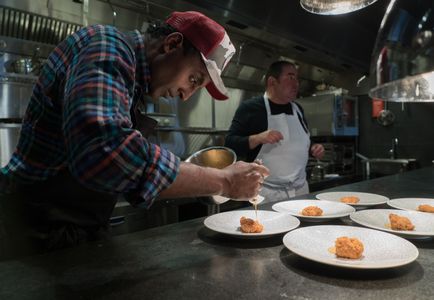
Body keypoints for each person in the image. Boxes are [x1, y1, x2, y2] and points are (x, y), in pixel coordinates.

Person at [0, 11, 269, 258]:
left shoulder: (134, 83)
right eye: (194, 79)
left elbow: (130, 167)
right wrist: (223, 181)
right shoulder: (107, 46)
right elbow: (105, 152)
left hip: (75, 229)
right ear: (172, 44)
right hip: (34, 231)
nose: (187, 95)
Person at [225, 61, 323, 202]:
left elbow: (298, 143)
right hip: (266, 194)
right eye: (290, 77)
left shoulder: (298, 110)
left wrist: (313, 148)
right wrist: (258, 138)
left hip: (301, 191)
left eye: (297, 78)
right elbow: (230, 144)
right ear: (272, 81)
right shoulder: (251, 108)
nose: (296, 83)